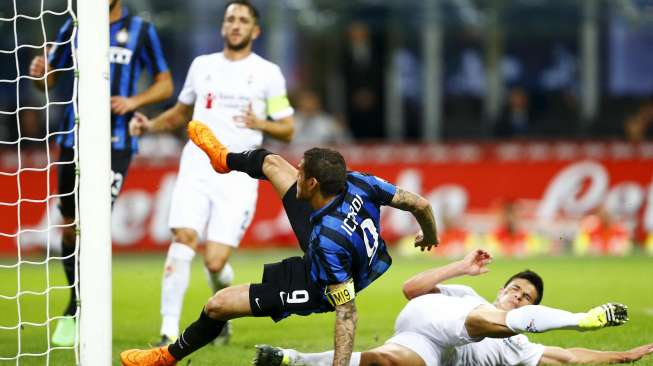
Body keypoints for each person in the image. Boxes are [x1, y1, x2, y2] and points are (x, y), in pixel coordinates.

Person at [118, 120, 439, 366]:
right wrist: (431, 236)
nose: (295, 173)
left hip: (318, 283)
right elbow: (420, 204)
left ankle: (165, 358)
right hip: (336, 234)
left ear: (312, 184)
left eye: (300, 173)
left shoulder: (327, 241)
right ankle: (222, 158)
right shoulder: (356, 181)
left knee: (218, 305)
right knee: (271, 162)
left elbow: (346, 310)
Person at [128, 0, 295, 346]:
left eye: (242, 20)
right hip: (197, 166)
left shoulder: (268, 73)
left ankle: (223, 313)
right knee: (183, 238)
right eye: (230, 19)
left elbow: (288, 129)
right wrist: (150, 125)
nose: (235, 25)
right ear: (223, 27)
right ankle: (168, 331)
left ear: (255, 30)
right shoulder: (202, 66)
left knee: (215, 261)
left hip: (239, 175)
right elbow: (180, 113)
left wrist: (258, 122)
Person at [28, 0, 173, 347]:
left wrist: (134, 102)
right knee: (68, 228)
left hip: (116, 141)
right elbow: (49, 80)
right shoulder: (73, 25)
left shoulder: (140, 30)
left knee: (92, 222)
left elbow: (165, 84)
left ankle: (83, 312)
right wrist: (40, 71)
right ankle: (76, 303)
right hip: (72, 137)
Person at [253, 249, 633, 366]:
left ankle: (290, 359)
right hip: (430, 317)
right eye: (516, 290)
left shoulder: (521, 348)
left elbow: (567, 358)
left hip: (431, 348)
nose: (519, 296)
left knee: (382, 362)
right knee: (485, 318)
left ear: (534, 308)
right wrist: (461, 267)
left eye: (528, 298)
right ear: (502, 289)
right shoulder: (466, 294)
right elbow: (410, 288)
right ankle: (584, 319)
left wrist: (624, 356)